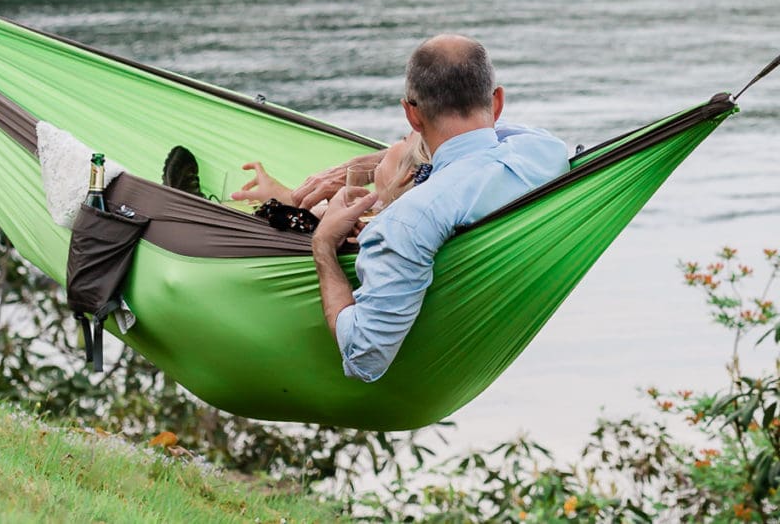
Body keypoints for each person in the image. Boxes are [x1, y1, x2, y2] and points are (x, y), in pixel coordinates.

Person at [311, 34, 570, 382]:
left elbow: (364, 359)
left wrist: (324, 246)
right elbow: (486, 137)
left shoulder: (409, 220)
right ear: (497, 101)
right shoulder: (544, 152)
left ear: (411, 114)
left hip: (428, 378)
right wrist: (375, 159)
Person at [230, 131, 432, 212]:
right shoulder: (378, 206)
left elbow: (305, 219)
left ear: (409, 174)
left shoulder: (366, 218)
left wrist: (272, 206)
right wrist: (280, 195)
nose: (393, 144)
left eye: (403, 139)